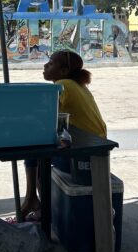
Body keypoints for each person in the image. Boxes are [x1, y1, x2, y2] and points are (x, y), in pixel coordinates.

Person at [20, 50, 107, 220]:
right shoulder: (79, 86)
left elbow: (43, 117)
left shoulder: (63, 85)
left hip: (83, 158)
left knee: (33, 151)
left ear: (63, 71)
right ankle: (35, 201)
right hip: (94, 151)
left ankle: (33, 201)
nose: (45, 65)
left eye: (51, 63)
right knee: (39, 149)